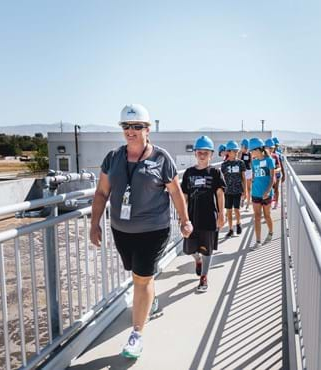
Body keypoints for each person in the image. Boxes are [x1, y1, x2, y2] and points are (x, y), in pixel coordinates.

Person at [91, 104, 193, 359]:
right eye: (126, 126)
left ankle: (137, 335)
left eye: (137, 126)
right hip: (121, 229)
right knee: (137, 272)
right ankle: (151, 300)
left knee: (141, 278)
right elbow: (102, 192)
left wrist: (184, 219)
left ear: (148, 130)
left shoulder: (161, 158)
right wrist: (94, 224)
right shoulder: (113, 158)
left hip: (153, 229)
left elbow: (175, 192)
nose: (131, 131)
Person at [181, 136, 226, 292]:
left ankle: (204, 277)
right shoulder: (188, 173)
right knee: (188, 250)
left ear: (211, 155)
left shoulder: (215, 172)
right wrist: (183, 217)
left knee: (207, 250)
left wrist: (222, 214)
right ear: (195, 153)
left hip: (209, 218)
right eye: (199, 152)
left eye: (205, 153)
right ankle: (197, 260)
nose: (202, 155)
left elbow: (220, 195)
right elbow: (184, 196)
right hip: (192, 218)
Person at [249, 137, 275, 250]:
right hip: (256, 193)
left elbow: (272, 178)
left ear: (259, 149)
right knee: (257, 217)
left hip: (266, 193)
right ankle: (258, 241)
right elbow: (254, 176)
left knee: (267, 215)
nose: (251, 152)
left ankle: (270, 232)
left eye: (252, 150)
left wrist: (268, 190)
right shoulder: (254, 162)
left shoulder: (269, 161)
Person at [221, 140, 246, 238]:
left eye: (237, 151)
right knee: (229, 211)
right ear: (228, 152)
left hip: (238, 190)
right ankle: (230, 229)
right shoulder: (224, 165)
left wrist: (245, 191)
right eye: (233, 151)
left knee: (237, 209)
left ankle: (239, 223)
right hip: (227, 191)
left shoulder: (241, 163)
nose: (235, 153)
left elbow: (243, 178)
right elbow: (222, 179)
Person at [265, 138, 284, 209]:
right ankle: (269, 204)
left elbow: (280, 167)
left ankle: (276, 202)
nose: (271, 149)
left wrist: (274, 171)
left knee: (276, 189)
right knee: (269, 190)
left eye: (272, 148)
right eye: (269, 148)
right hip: (266, 177)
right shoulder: (262, 157)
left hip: (275, 176)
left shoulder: (275, 156)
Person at [239, 138, 253, 210]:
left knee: (249, 188)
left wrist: (253, 173)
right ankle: (242, 199)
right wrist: (241, 152)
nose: (245, 148)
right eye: (244, 147)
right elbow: (238, 160)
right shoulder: (240, 153)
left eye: (246, 147)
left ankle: (247, 203)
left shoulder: (249, 153)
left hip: (249, 171)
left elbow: (251, 163)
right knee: (243, 187)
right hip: (242, 172)